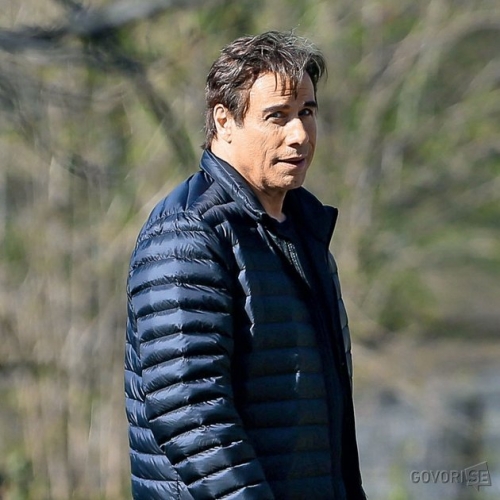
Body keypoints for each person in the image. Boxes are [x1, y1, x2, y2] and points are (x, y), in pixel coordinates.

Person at [125, 30, 366, 500]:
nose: (299, 134)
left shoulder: (303, 228)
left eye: (307, 112)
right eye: (277, 116)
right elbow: (189, 411)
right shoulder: (187, 233)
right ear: (225, 120)